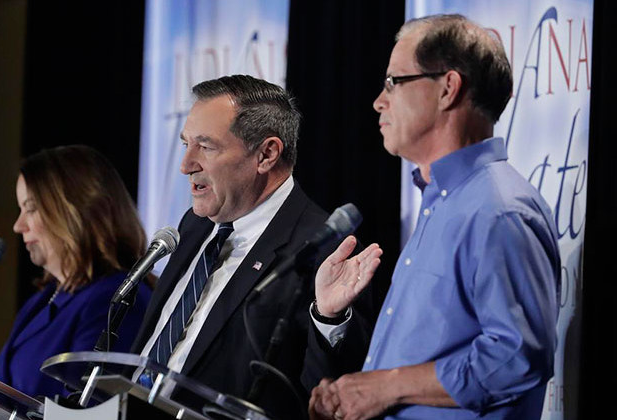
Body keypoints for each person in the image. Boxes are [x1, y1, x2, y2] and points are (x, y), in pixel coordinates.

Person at [309, 14, 561, 419]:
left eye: (394, 82)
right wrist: (354, 394)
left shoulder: (498, 211)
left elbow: (517, 357)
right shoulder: (441, 201)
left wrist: (386, 387)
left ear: (448, 88)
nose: (378, 100)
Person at [129, 74, 383, 419]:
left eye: (205, 146)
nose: (186, 165)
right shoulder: (194, 224)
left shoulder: (323, 250)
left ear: (266, 153)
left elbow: (328, 395)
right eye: (186, 143)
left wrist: (329, 318)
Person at [0, 145, 152, 398]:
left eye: (31, 208)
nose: (18, 226)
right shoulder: (41, 301)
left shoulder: (118, 300)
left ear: (74, 209)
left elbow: (84, 406)